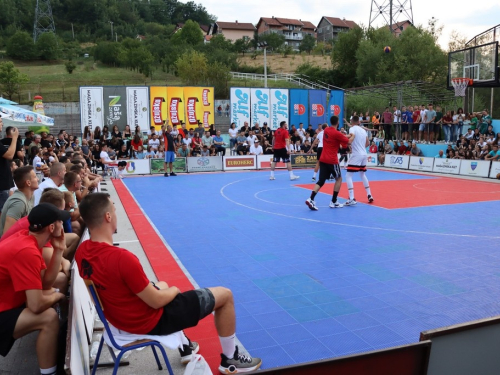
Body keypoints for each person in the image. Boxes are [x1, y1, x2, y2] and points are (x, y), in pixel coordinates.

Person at [76, 193, 262, 372]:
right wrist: (173, 290)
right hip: (150, 321)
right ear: (108, 216)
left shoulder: (82, 251)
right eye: (114, 210)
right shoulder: (121, 258)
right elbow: (156, 301)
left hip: (119, 319)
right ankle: (231, 359)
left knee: (162, 287)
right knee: (224, 295)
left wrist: (160, 288)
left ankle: (186, 346)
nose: (116, 213)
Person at [0, 203, 69, 375]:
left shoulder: (28, 238)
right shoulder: (26, 250)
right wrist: (58, 296)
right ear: (52, 227)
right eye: (60, 222)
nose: (63, 225)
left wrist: (59, 250)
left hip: (6, 302)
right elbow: (36, 305)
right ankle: (50, 373)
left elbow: (45, 285)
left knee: (48, 294)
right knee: (48, 318)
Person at [306, 116, 352, 210]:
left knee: (321, 180)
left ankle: (311, 198)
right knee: (338, 179)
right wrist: (353, 136)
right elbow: (348, 142)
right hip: (332, 159)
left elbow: (338, 137)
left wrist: (343, 137)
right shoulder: (337, 133)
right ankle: (334, 201)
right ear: (338, 122)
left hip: (323, 158)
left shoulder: (326, 130)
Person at [0, 166, 39, 237]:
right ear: (28, 183)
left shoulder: (31, 197)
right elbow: (7, 235)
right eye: (35, 177)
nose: (38, 179)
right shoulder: (18, 203)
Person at [345, 116, 373, 205]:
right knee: (362, 174)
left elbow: (351, 139)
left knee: (348, 175)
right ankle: (369, 194)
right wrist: (361, 148)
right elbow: (368, 143)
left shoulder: (352, 129)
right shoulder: (363, 130)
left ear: (352, 121)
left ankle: (352, 198)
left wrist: (349, 144)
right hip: (364, 154)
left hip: (356, 154)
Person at [0, 118, 19, 213]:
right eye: (0, 122)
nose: (2, 124)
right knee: (3, 212)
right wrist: (14, 137)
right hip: (1, 185)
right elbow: (9, 155)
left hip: (3, 184)